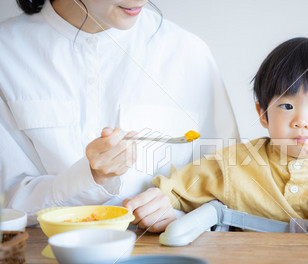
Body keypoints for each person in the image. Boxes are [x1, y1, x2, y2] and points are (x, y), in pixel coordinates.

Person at [125, 37, 308, 238]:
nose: (301, 121)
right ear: (263, 114)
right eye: (287, 106)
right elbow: (179, 188)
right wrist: (156, 201)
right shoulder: (233, 163)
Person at [0, 0, 239, 225]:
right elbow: (12, 203)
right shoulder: (6, 52)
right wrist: (89, 177)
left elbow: (232, 190)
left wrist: (178, 210)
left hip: (167, 257)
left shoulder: (187, 52)